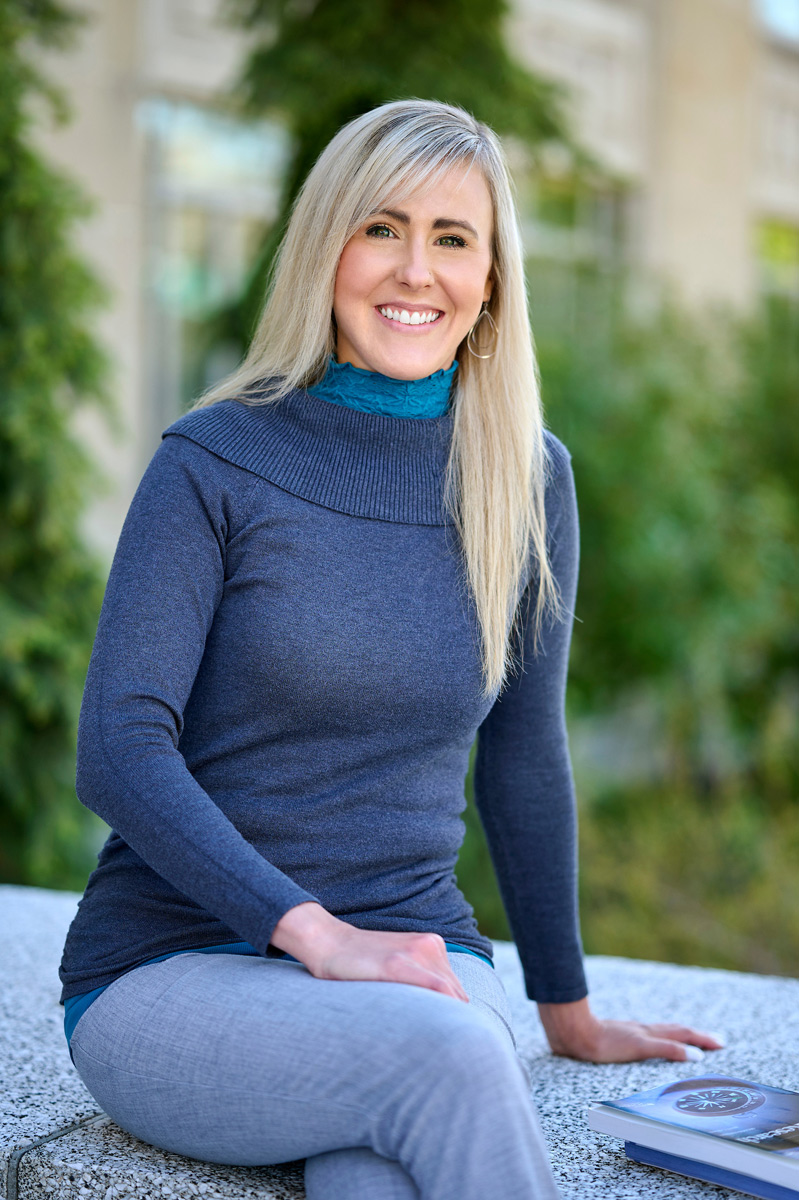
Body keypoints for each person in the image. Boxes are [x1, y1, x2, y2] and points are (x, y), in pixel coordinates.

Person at [59, 100, 720, 1199]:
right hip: (172, 971)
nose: (415, 270)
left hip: (417, 961)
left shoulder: (525, 474)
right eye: (381, 228)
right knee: (450, 1056)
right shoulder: (213, 461)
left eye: (452, 239)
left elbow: (523, 752)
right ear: (326, 248)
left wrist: (567, 1009)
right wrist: (320, 940)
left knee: (378, 1166)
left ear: (493, 278)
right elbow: (118, 747)